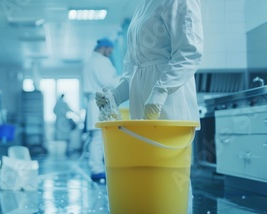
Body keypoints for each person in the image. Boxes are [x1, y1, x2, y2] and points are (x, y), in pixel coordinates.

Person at [96, 0, 203, 212]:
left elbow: (189, 52)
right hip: (142, 98)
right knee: (147, 168)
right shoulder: (142, 6)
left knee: (169, 173)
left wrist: (162, 89)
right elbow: (134, 66)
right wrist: (116, 94)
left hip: (171, 95)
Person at [82, 37, 120, 181]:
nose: (110, 53)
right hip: (100, 102)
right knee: (99, 138)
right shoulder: (101, 61)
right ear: (104, 48)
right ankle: (97, 169)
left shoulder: (90, 61)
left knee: (98, 138)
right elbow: (108, 81)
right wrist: (125, 79)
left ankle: (97, 168)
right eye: (109, 50)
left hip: (95, 102)